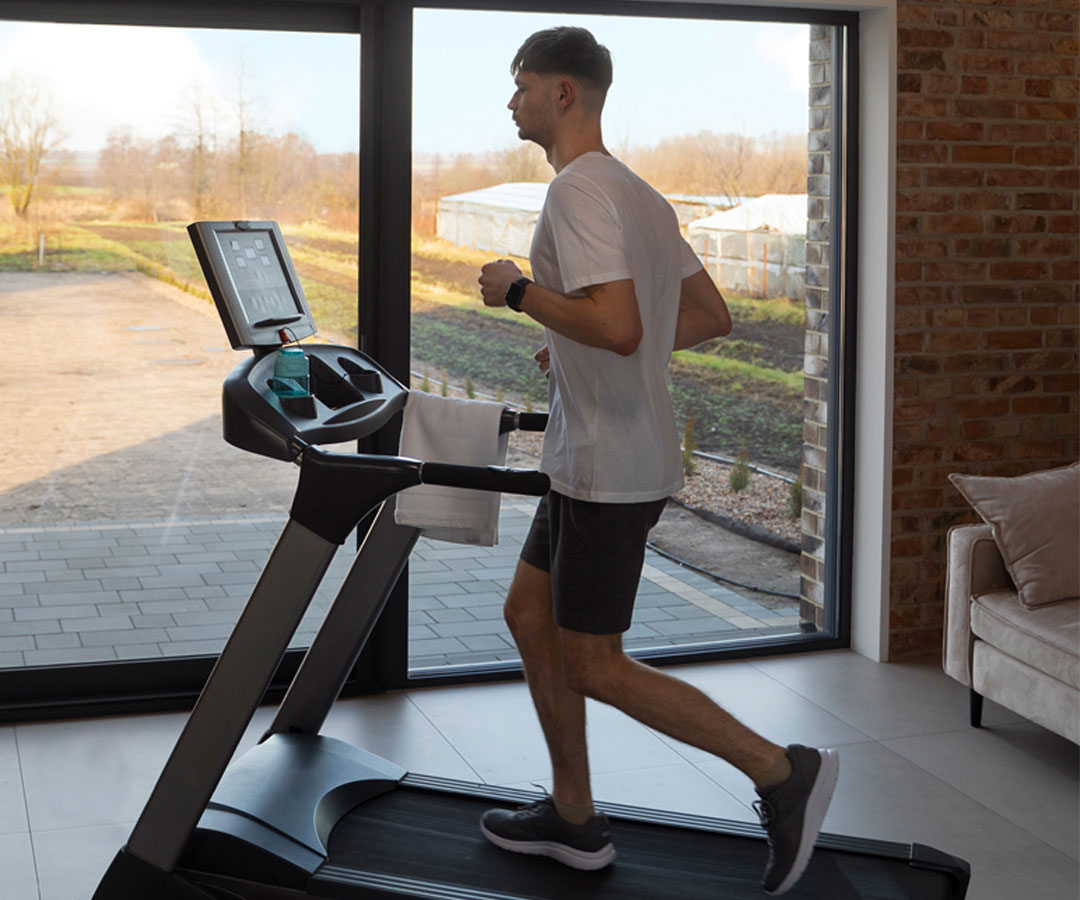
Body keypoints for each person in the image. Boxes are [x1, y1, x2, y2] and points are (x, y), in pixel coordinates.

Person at [475, 26, 838, 897]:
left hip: (607, 468)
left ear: (563, 93)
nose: (511, 101)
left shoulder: (576, 190)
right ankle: (572, 816)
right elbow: (706, 314)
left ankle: (783, 772)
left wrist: (518, 291)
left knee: (594, 662)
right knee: (529, 616)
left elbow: (619, 323)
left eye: (522, 84)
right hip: (592, 458)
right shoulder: (637, 192)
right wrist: (586, 346)